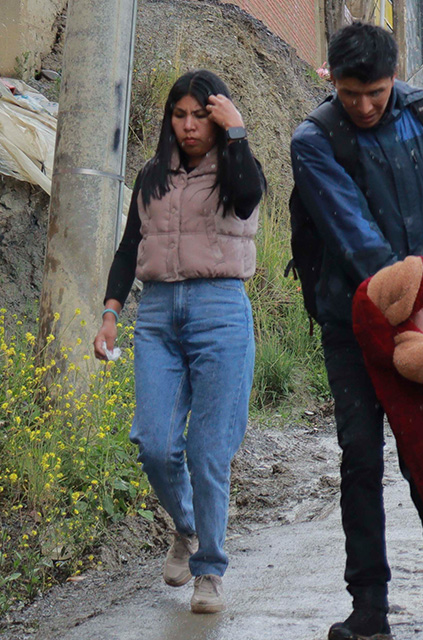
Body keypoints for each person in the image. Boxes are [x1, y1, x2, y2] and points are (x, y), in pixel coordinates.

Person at [290, 23, 423, 640]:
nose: (365, 105)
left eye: (375, 91)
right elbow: (355, 238)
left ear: (394, 77)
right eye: (351, 94)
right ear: (332, 83)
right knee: (360, 462)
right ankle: (369, 608)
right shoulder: (315, 140)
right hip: (356, 326)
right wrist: (411, 311)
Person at [94, 69, 264, 615]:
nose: (188, 126)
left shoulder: (237, 168)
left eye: (200, 115)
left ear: (217, 117)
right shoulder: (152, 176)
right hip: (159, 315)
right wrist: (110, 314)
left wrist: (237, 133)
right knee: (154, 442)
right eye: (179, 115)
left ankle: (210, 570)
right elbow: (127, 249)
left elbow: (246, 200)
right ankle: (187, 530)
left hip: (220, 310)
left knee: (207, 451)